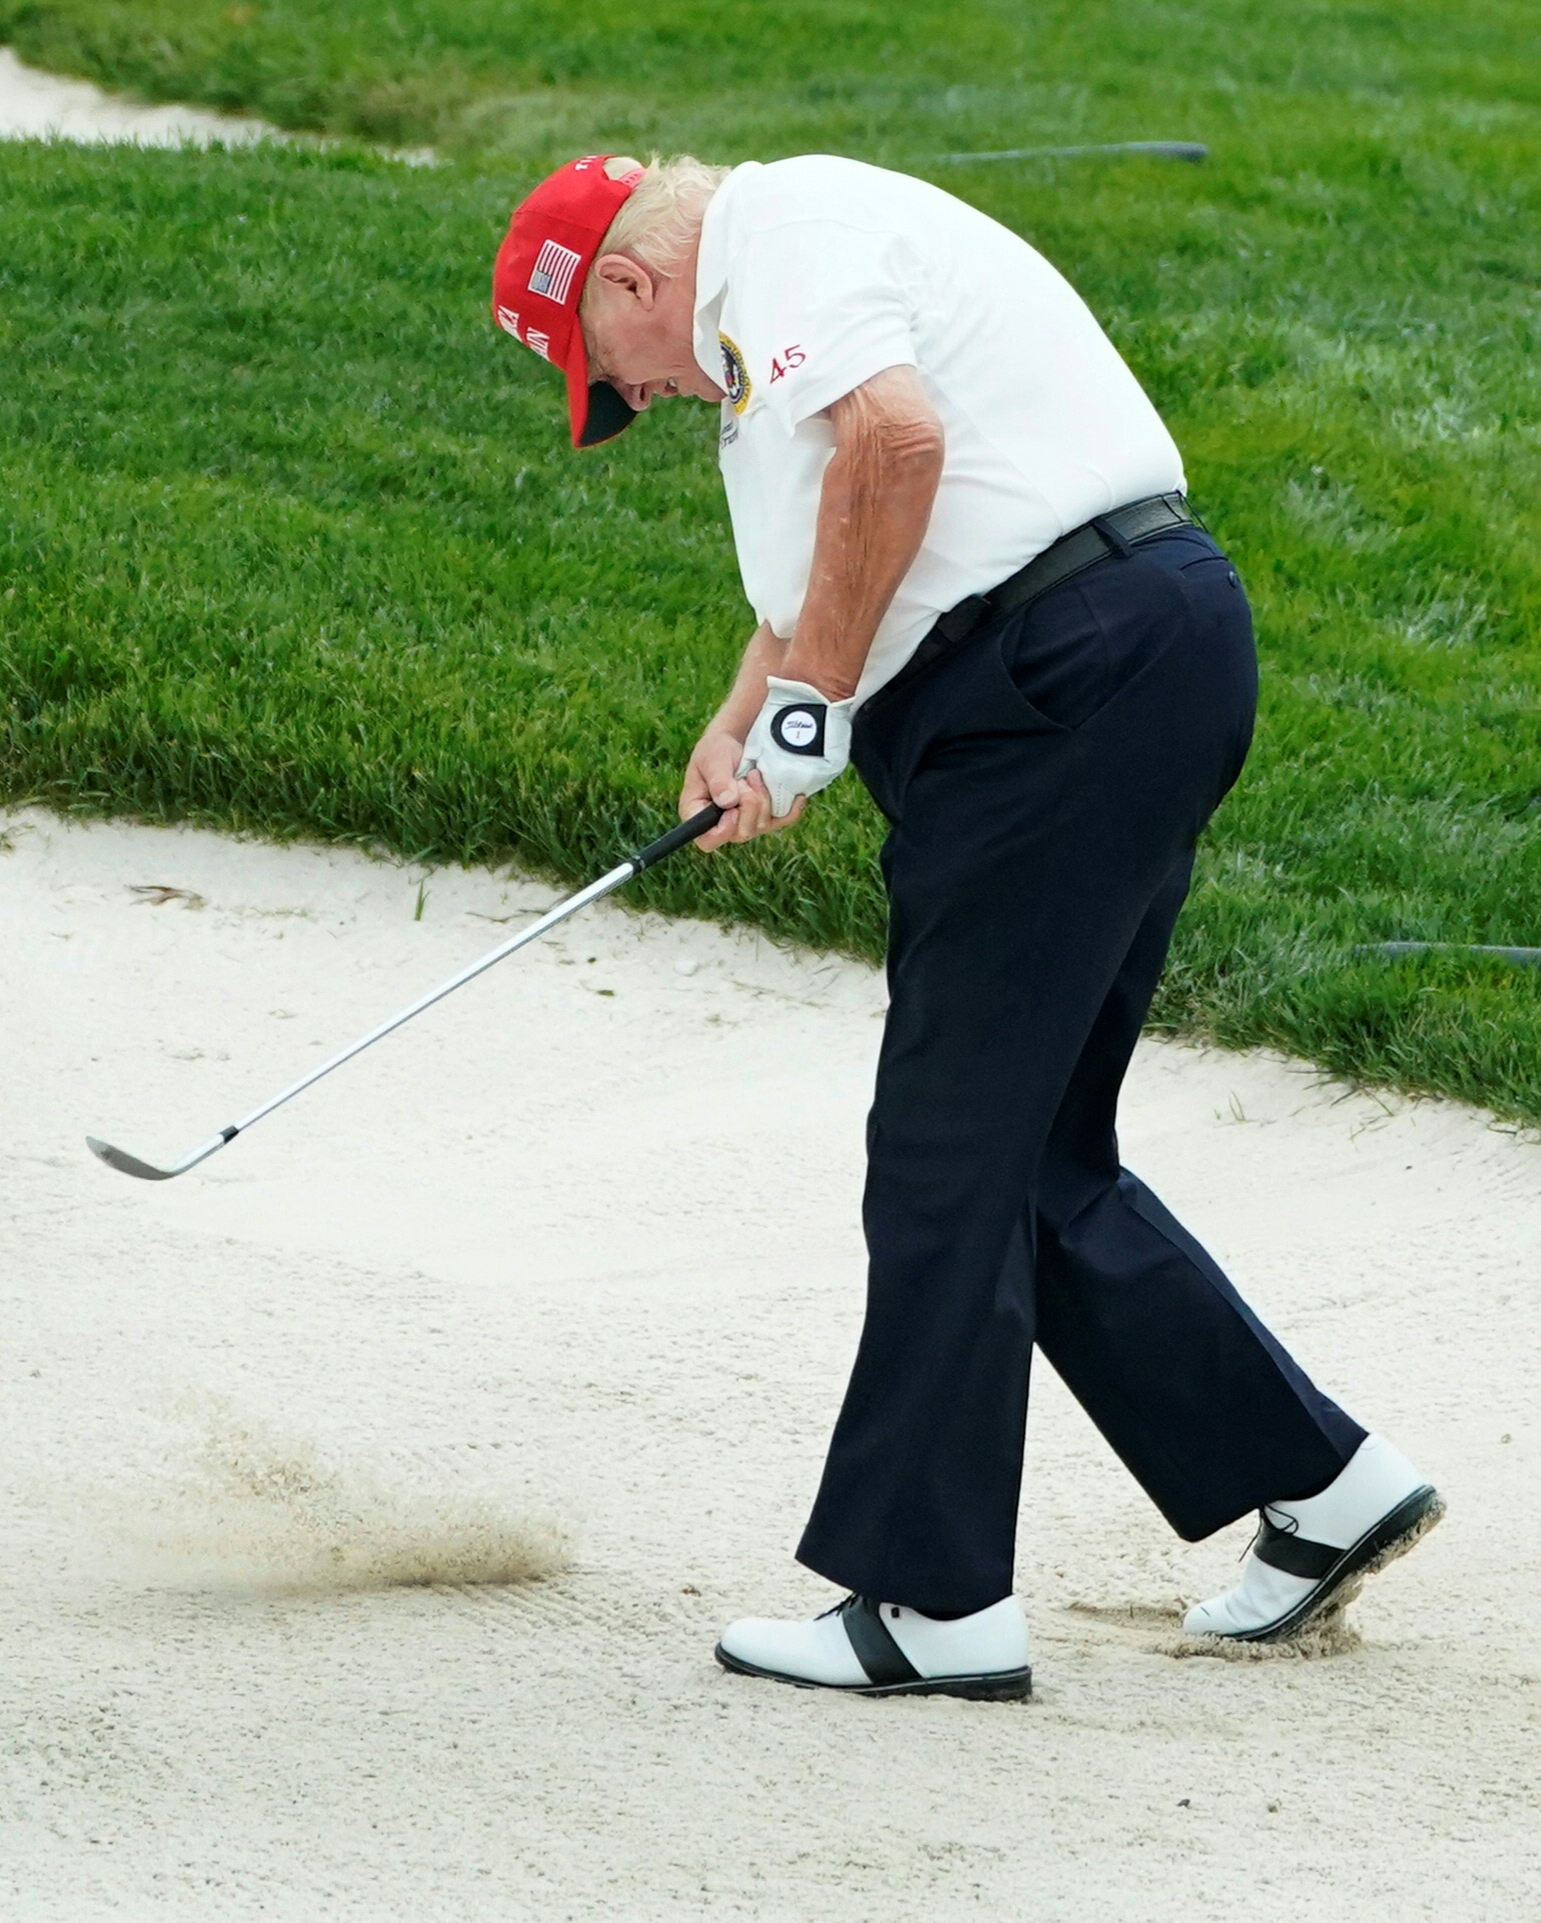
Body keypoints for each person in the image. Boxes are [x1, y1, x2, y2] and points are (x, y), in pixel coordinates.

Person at [490, 152, 1442, 1699]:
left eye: (614, 376)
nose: (636, 402)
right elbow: (833, 536)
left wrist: (817, 705)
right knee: (1030, 1151)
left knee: (946, 1144)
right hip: (1119, 658)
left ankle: (932, 1604)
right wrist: (752, 720)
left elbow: (898, 444)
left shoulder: (779, 236)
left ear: (626, 283)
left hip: (1056, 679)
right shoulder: (763, 300)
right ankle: (1321, 1485)